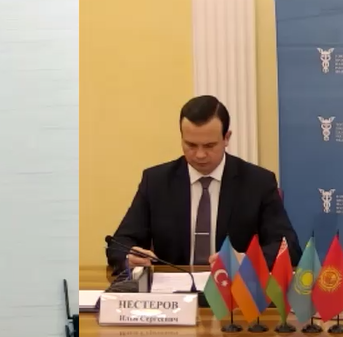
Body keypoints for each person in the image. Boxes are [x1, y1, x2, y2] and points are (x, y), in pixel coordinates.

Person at [108, 96, 300, 273]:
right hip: (173, 290)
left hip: (234, 290)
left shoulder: (257, 182)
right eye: (191, 145)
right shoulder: (156, 181)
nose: (200, 155)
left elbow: (289, 248)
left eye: (209, 146)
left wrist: (248, 261)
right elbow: (119, 243)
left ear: (226, 138)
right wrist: (129, 257)